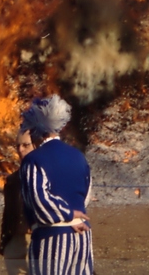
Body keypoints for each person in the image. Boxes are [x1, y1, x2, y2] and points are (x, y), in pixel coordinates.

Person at [18, 95, 92, 275]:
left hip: (51, 238)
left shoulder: (33, 160)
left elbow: (38, 201)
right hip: (83, 237)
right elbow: (86, 194)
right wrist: (74, 218)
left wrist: (66, 215)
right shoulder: (78, 156)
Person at [0, 129, 35, 275]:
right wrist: (5, 242)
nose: (20, 150)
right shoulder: (13, 179)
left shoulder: (48, 175)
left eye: (26, 145)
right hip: (15, 239)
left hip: (38, 237)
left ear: (36, 145)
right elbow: (8, 213)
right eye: (18, 145)